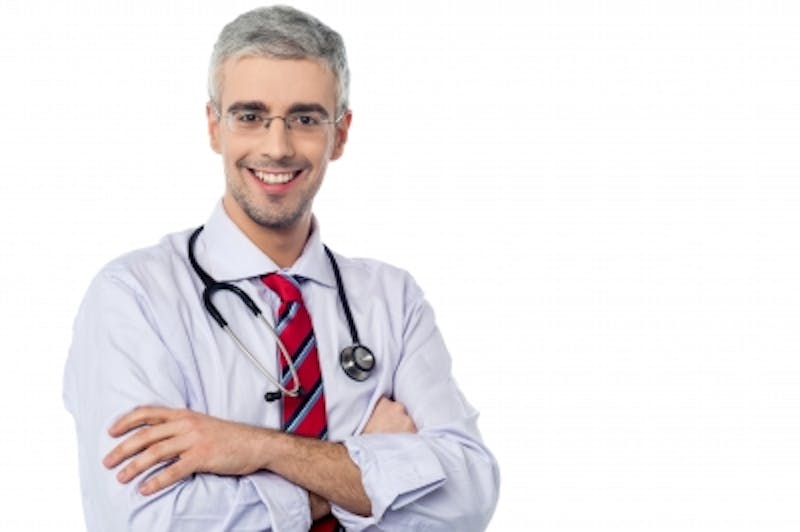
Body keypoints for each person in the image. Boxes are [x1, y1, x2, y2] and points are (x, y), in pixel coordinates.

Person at [63, 5, 499, 531]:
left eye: (306, 118)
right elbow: (147, 521)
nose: (278, 146)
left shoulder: (392, 299)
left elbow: (469, 494)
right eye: (250, 116)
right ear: (213, 126)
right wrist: (365, 464)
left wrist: (252, 447)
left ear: (340, 134)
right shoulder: (133, 297)